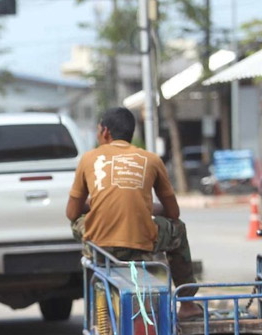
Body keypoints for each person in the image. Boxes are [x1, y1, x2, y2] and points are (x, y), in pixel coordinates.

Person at [65, 106, 201, 320]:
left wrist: (95, 204)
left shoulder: (88, 159)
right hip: (141, 241)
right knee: (179, 229)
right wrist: (145, 207)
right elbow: (173, 213)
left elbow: (71, 212)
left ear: (105, 132)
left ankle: (95, 264)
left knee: (76, 222)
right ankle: (187, 304)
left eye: (99, 130)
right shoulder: (151, 159)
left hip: (100, 245)